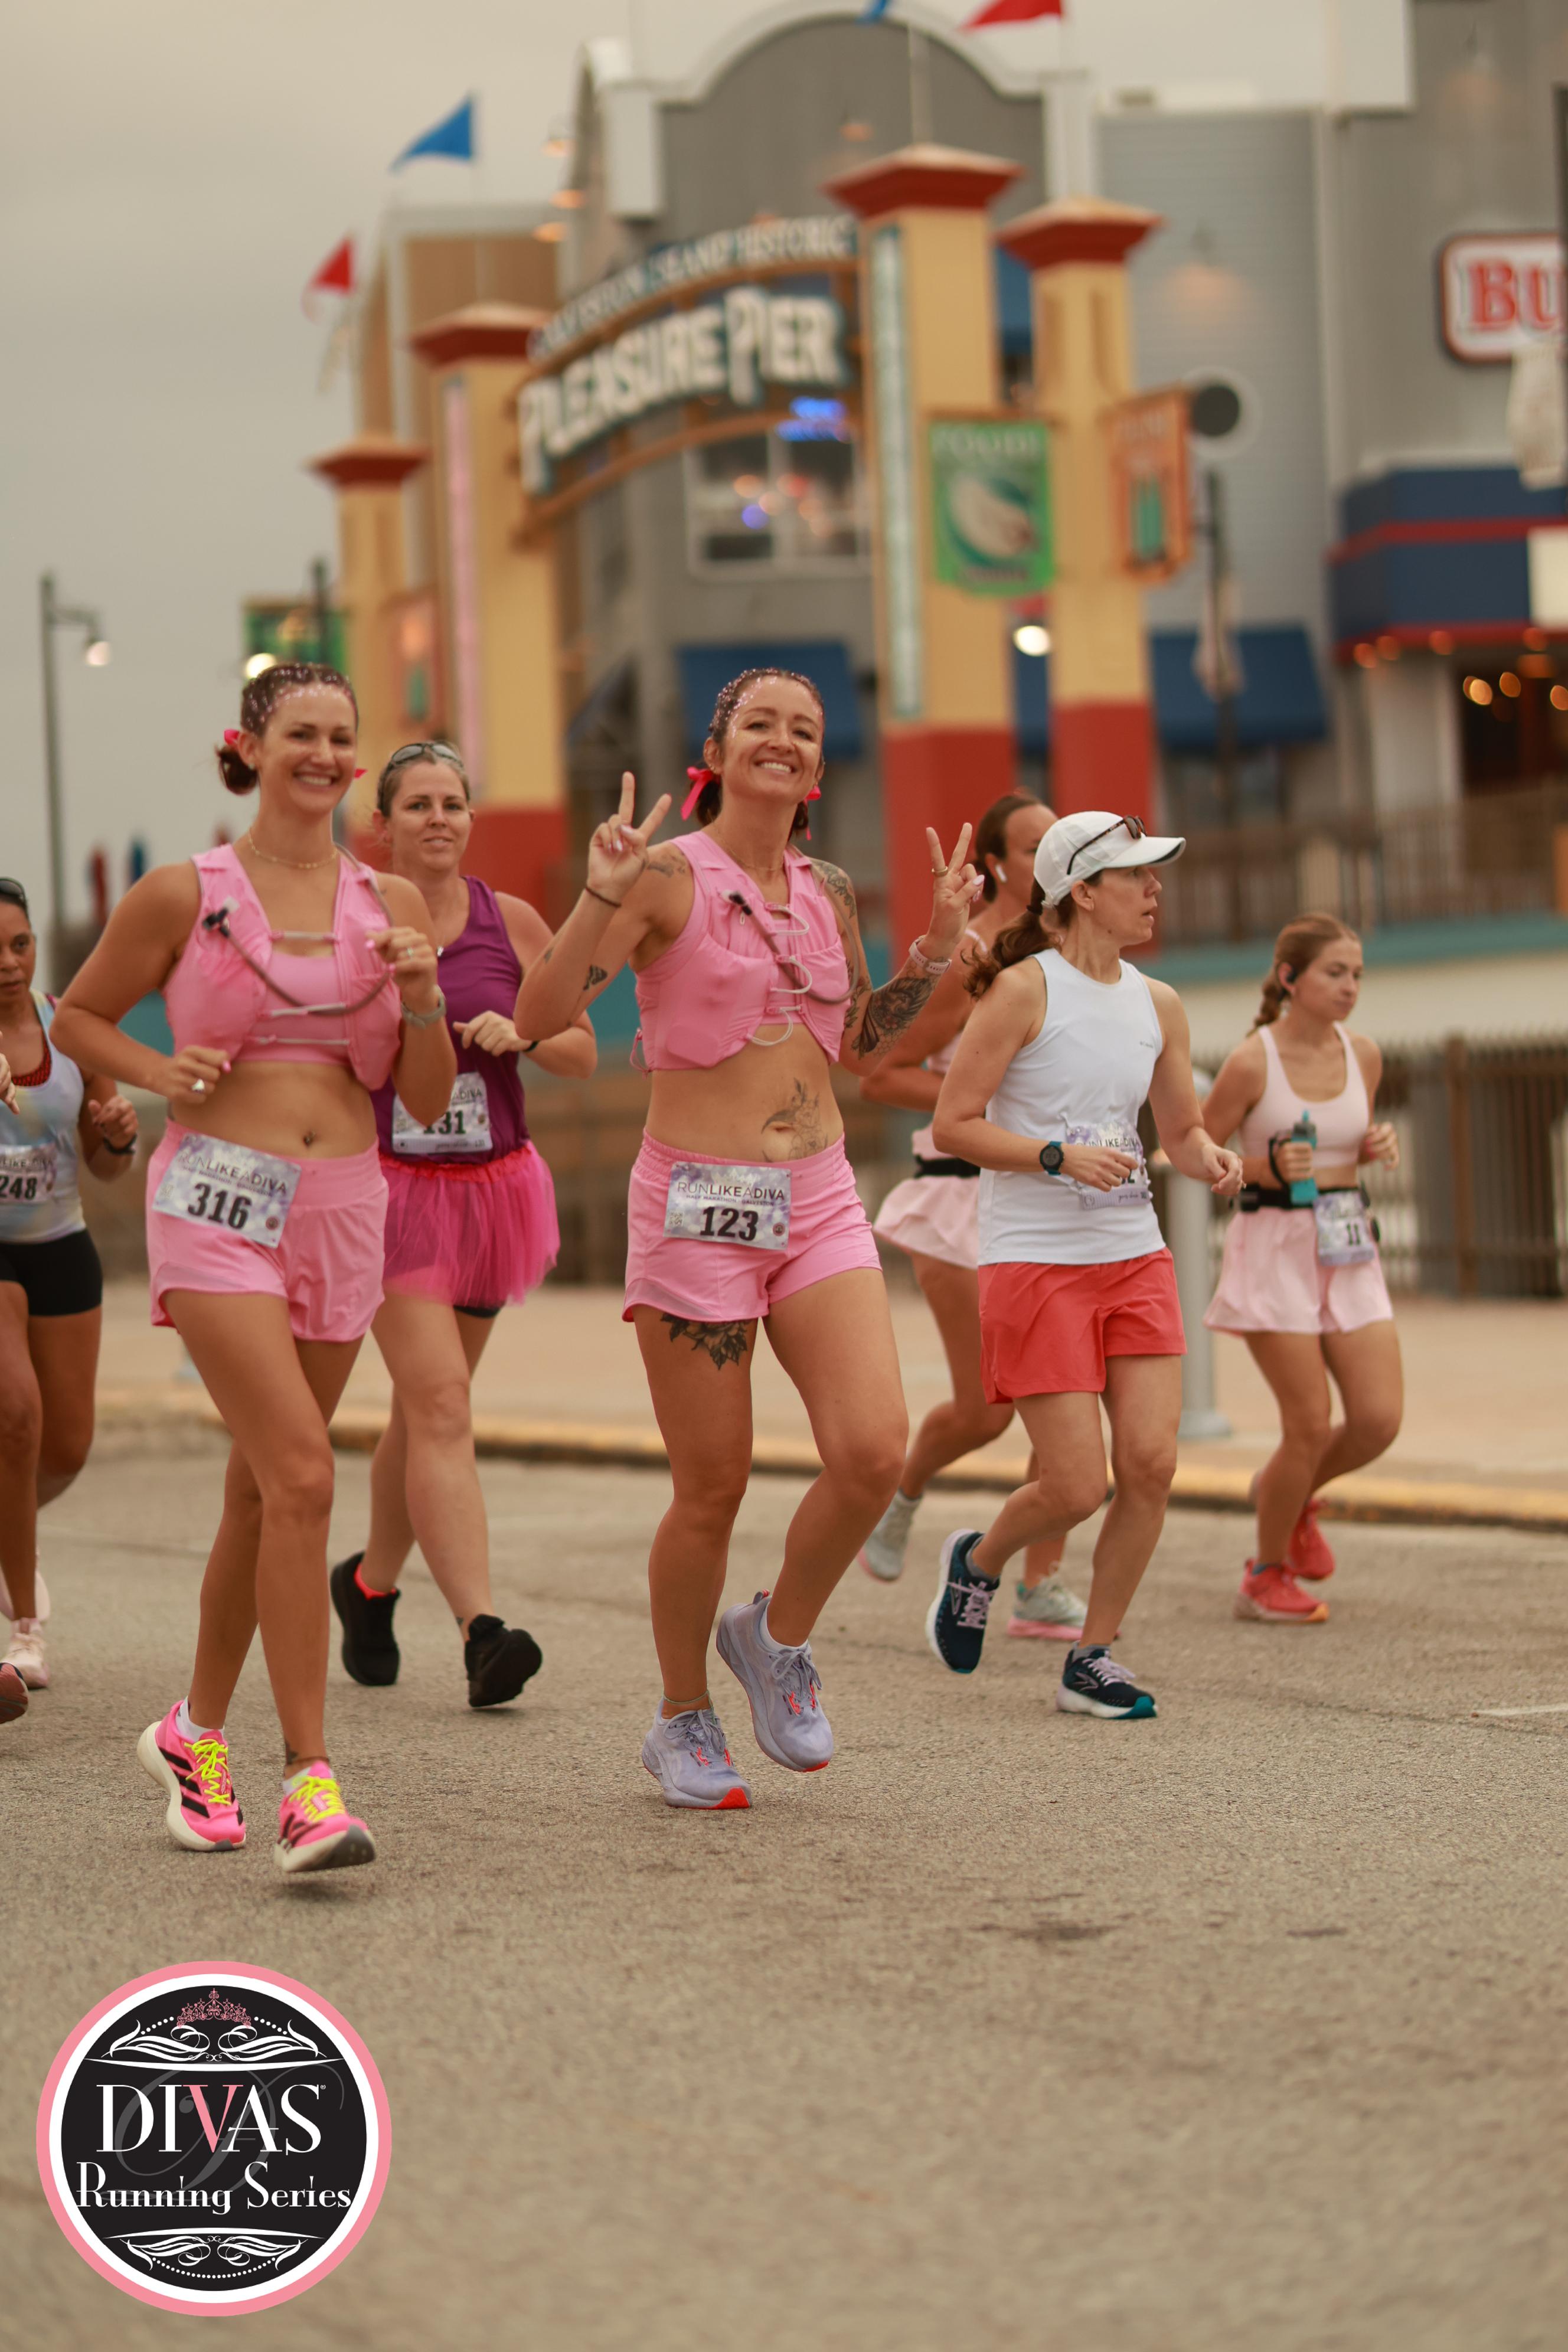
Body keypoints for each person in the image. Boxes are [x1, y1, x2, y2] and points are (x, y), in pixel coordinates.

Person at [516, 666, 978, 1809]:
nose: (782, 740)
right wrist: (595, 898)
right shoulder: (662, 877)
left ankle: (772, 1637)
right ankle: (681, 1712)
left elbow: (860, 1045)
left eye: (803, 729)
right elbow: (537, 1018)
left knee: (871, 1452)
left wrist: (933, 954)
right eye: (758, 723)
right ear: (715, 752)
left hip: (815, 1196)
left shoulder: (828, 888)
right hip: (697, 1206)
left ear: (818, 765)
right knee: (712, 1484)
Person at [53, 661, 456, 1874]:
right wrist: (153, 1069)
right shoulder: (186, 890)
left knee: (259, 1492)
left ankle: (194, 1732)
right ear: (251, 747)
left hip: (344, 1207)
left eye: (341, 736)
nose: (324, 755)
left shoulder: (388, 898)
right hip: (218, 1202)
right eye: (301, 734)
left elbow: (420, 1098)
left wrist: (423, 996)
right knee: (302, 1475)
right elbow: (77, 1016)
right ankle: (309, 1782)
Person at [926, 810, 1242, 1719]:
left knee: (1151, 1464)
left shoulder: (1159, 1003)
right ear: (1083, 892)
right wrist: (1054, 1157)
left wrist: (1211, 1157)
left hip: (1133, 1256)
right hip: (1036, 1262)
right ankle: (979, 1560)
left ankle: (1092, 1657)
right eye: (1136, 875)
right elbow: (954, 1125)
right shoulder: (1022, 990)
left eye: (1153, 873)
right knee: (1075, 1485)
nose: (1154, 889)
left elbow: (1180, 1129)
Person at [329, 740, 594, 1705]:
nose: (439, 818)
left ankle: (369, 1585)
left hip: (492, 1192)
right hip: (390, 1191)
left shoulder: (510, 920)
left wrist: (525, 1033)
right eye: (419, 804)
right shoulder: (352, 918)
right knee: (441, 1404)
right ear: (383, 824)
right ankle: (483, 1630)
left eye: (453, 802)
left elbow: (581, 1049)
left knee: (423, 1411)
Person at [858, 793, 1086, 1642]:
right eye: (1032, 847)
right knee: (987, 1411)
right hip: (958, 1197)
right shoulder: (972, 958)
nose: (1049, 857)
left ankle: (1040, 1583)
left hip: (1043, 1194)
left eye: (1059, 842)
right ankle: (903, 1492)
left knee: (1066, 1396)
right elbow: (881, 1074)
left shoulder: (1072, 949)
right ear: (995, 864)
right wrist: (982, 1101)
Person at [1200, 914, 1402, 1624]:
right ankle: (1264, 1575)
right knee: (1308, 1423)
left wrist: (1370, 1145)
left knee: (1377, 1420)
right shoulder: (1252, 1061)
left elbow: (1342, 1145)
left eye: (1357, 975)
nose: (1350, 987)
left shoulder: (1364, 1054)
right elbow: (1192, 1154)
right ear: (1290, 978)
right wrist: (1266, 1166)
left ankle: (1285, 1492)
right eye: (1334, 973)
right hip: (1273, 1246)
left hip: (1347, 1243)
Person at [0, 875, 139, 1708]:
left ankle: (9, 1538)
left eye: (19, 944)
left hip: (60, 1245)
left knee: (64, 1448)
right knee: (16, 1415)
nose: (7, 963)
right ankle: (25, 1624)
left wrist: (116, 1135)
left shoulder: (71, 1029)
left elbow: (107, 1165)